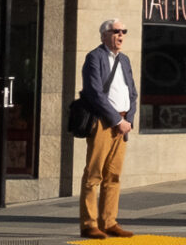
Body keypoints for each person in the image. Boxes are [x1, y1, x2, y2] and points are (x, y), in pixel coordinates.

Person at [78, 18, 138, 239]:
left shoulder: (125, 60)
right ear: (104, 35)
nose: (120, 35)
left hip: (123, 124)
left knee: (113, 175)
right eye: (116, 31)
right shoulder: (94, 57)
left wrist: (128, 119)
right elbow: (95, 93)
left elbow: (132, 92)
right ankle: (88, 224)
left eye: (123, 31)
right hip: (104, 122)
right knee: (93, 175)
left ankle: (109, 221)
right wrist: (116, 120)